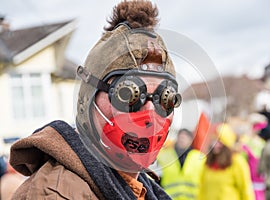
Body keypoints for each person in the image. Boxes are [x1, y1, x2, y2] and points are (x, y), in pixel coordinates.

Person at [8, 1, 182, 199]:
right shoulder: (54, 194)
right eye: (128, 95)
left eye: (164, 99)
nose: (149, 113)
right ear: (88, 99)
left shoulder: (140, 189)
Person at [198, 123, 255, 200]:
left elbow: (245, 190)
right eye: (214, 140)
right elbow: (202, 189)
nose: (215, 145)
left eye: (219, 141)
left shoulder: (237, 162)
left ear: (226, 143)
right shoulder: (208, 162)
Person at [156, 128, 205, 199]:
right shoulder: (164, 155)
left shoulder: (200, 157)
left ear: (190, 140)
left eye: (185, 138)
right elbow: (156, 177)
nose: (182, 140)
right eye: (181, 137)